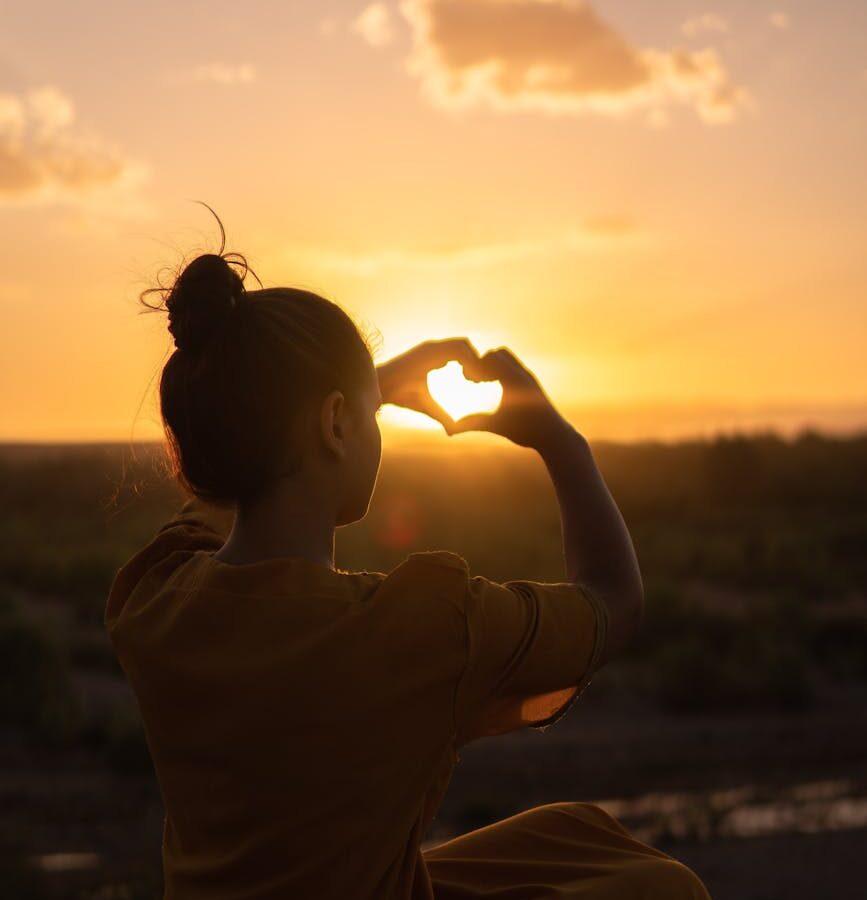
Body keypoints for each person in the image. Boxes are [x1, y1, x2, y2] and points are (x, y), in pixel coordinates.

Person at [106, 218, 712, 899]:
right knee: (664, 889)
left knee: (576, 835)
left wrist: (356, 390)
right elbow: (614, 604)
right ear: (336, 424)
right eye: (369, 413)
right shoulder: (416, 626)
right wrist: (560, 440)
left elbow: (220, 497)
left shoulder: (155, 597)